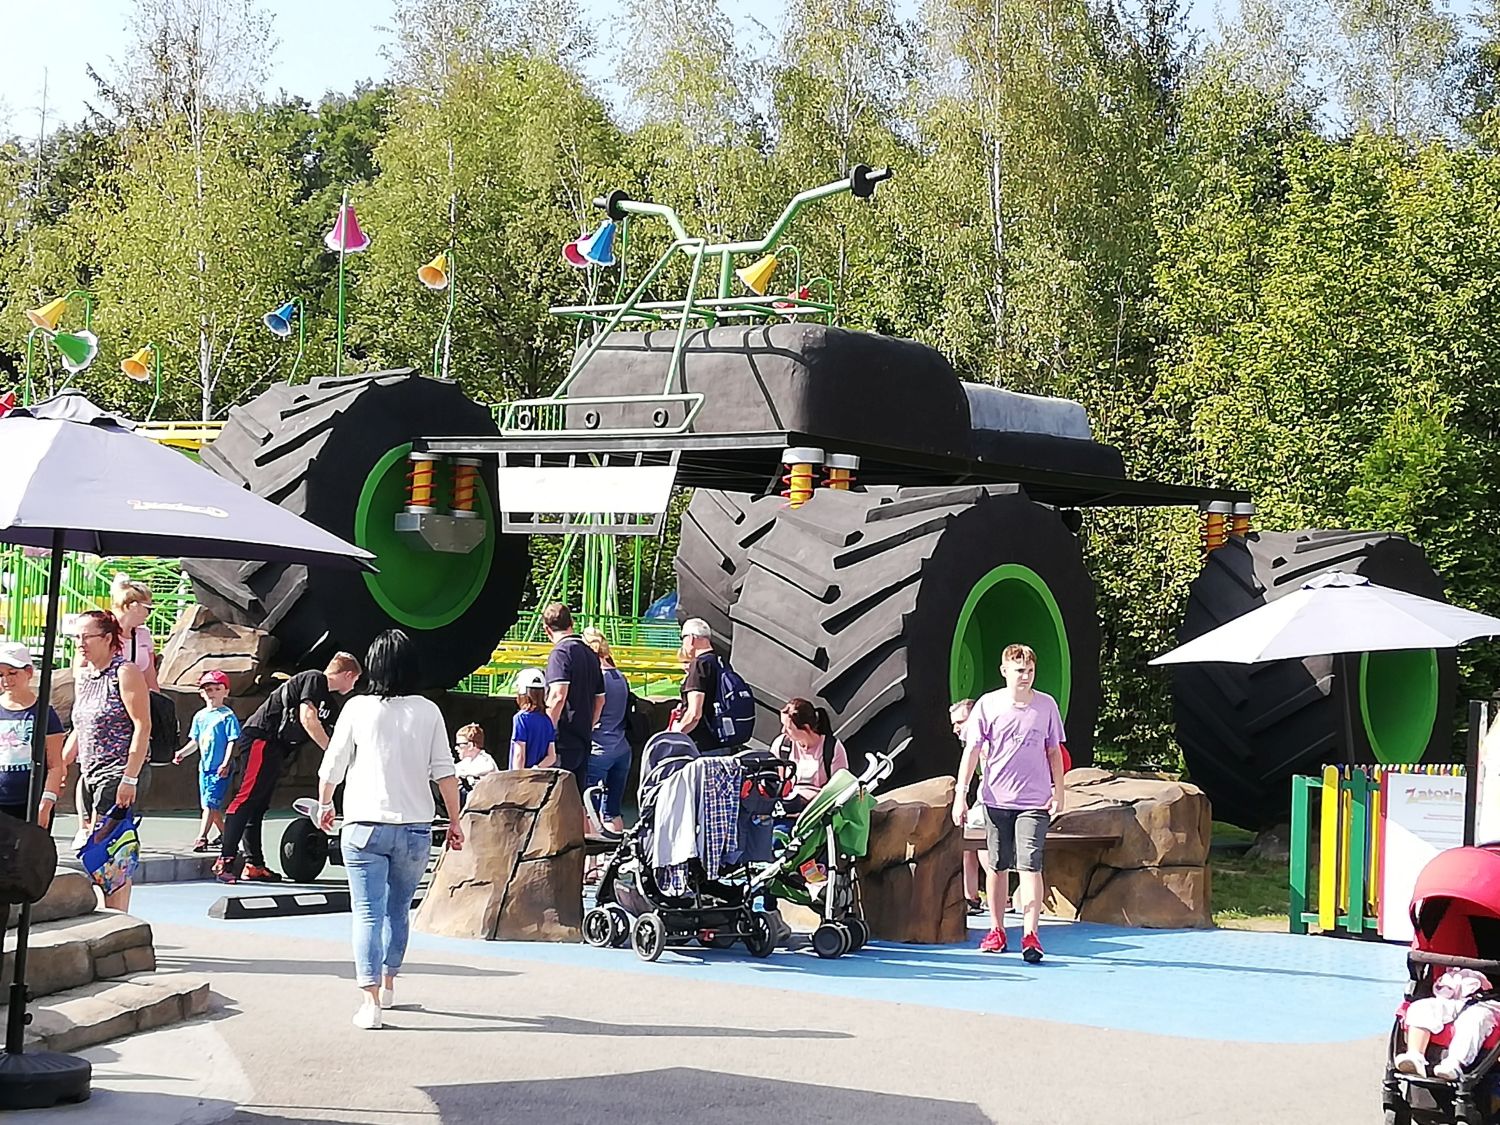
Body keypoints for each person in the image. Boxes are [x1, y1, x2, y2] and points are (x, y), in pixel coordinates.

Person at [315, 629, 463, 1030]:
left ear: (372, 667)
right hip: (415, 827)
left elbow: (333, 765)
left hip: (364, 824)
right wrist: (455, 820)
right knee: (398, 910)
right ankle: (390, 982)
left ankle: (370, 1002)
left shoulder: (357, 708)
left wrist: (326, 804)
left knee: (367, 913)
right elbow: (445, 772)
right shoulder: (428, 711)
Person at [952, 643, 1065, 964]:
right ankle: (997, 929)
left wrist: (1058, 791)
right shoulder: (988, 705)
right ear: (1004, 671)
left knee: (1030, 865)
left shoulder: (1046, 705)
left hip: (1034, 800)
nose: (1025, 676)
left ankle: (1031, 934)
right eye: (1019, 671)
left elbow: (1054, 751)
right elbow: (972, 750)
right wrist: (961, 795)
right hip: (996, 799)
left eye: (1030, 671)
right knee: (998, 864)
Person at [214, 653, 361, 884]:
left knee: (258, 805)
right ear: (348, 674)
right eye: (355, 680)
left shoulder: (329, 703)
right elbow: (307, 718)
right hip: (262, 738)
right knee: (246, 799)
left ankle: (254, 864)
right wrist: (332, 753)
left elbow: (338, 734)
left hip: (277, 748)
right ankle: (225, 860)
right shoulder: (314, 679)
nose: (354, 686)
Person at [64, 610, 151, 911]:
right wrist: (60, 765)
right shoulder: (84, 675)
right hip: (89, 773)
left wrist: (130, 777)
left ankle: (117, 919)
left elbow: (142, 725)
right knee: (93, 850)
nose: (80, 643)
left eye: (86, 637)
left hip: (118, 772)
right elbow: (80, 727)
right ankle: (110, 915)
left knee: (111, 855)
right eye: (77, 637)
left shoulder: (125, 672)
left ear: (107, 638)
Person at [173, 670, 240, 852]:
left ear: (225, 692)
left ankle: (201, 838)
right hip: (205, 768)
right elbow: (195, 741)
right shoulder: (200, 716)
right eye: (208, 689)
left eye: (217, 689)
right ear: (202, 693)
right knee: (210, 806)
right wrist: (182, 753)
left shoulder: (227, 716)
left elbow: (232, 741)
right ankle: (227, 836)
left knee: (210, 803)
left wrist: (226, 763)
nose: (212, 693)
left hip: (220, 768)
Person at [542, 604, 604, 799]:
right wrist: (588, 725)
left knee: (555, 800)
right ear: (572, 623)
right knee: (577, 800)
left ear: (547, 629)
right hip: (583, 738)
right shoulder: (591, 654)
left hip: (562, 740)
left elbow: (558, 696)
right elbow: (600, 700)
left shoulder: (560, 653)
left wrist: (545, 732)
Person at [0, 642, 65, 827]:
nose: (6, 680)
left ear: (28, 672)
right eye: (1, 675)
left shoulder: (44, 713)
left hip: (30, 802)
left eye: (13, 673)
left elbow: (55, 765)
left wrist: (47, 802)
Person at [1395, 967, 1500, 1080]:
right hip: (1452, 995)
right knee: (1421, 1007)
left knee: (1474, 1018)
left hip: (1490, 1002)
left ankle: (1454, 1063)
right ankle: (1415, 1055)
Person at [582, 627, 631, 838]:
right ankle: (616, 852)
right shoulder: (620, 676)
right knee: (612, 811)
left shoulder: (596, 678)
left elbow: (595, 708)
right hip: (621, 748)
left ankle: (592, 857)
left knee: (589, 810)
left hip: (598, 748)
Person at [770, 698, 849, 814]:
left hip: (816, 812)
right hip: (784, 808)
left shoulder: (832, 748)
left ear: (806, 728)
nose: (783, 731)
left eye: (789, 728)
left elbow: (840, 788)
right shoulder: (782, 745)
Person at [950, 699, 990, 916]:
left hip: (996, 802)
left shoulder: (985, 743)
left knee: (975, 835)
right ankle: (971, 897)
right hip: (984, 800)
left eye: (960, 722)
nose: (955, 729)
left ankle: (998, 896)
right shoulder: (978, 745)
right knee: (968, 842)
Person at [671, 618, 724, 754]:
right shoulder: (719, 661)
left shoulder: (699, 665)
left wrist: (675, 735)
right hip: (720, 739)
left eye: (682, 638)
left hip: (700, 745)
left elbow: (694, 714)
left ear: (691, 639)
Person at [510, 669, 556, 770]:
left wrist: (518, 776)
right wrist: (536, 768)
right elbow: (552, 756)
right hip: (540, 776)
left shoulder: (521, 718)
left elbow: (519, 755)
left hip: (523, 776)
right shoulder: (547, 720)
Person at [453, 723, 498, 805]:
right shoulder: (467, 761)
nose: (456, 748)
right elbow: (454, 770)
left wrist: (462, 773)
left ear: (470, 745)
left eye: (459, 745)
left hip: (489, 803)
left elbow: (487, 768)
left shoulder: (485, 759)